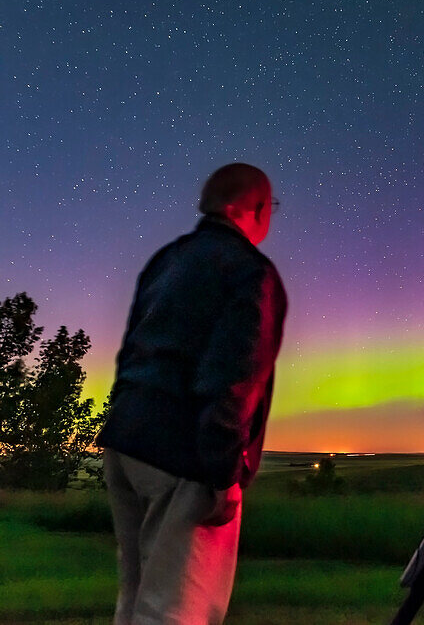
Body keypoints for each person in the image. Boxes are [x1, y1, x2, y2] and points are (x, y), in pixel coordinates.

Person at [97, 163, 288, 624]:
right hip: (184, 459)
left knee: (135, 600)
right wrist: (224, 473)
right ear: (256, 209)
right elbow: (232, 378)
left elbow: (133, 350)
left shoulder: (168, 259)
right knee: (175, 612)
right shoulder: (250, 273)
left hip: (126, 441)